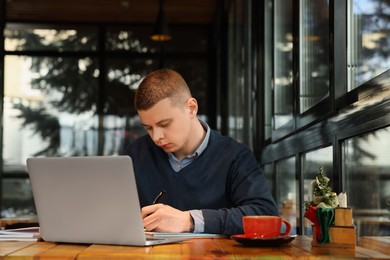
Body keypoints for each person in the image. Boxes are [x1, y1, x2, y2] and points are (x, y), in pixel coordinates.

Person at [125, 68, 278, 235]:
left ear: (191, 108)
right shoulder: (135, 155)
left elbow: (265, 214)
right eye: (148, 128)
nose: (156, 137)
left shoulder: (236, 156)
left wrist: (190, 221)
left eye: (164, 124)